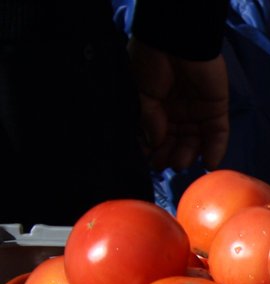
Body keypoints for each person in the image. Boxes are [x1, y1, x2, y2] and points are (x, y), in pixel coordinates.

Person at [0, 0, 228, 226]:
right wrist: (180, 27)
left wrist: (178, 27)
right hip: (69, 63)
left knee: (113, 244)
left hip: (68, 70)